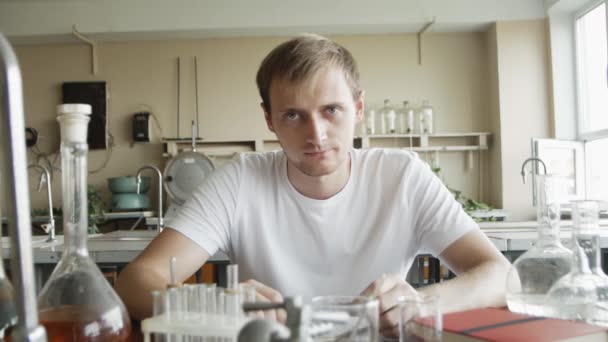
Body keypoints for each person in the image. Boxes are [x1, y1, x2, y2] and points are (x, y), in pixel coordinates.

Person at [115, 33, 511, 338]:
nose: (316, 134)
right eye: (293, 115)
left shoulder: (402, 176)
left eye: (331, 111)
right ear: (269, 119)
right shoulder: (240, 180)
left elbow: (503, 276)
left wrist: (420, 302)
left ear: (358, 109)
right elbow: (136, 281)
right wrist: (217, 306)